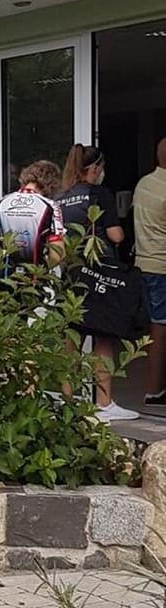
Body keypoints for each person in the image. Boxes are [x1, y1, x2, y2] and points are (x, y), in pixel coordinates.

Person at [55, 144, 137, 422]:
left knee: (72, 337)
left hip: (71, 274)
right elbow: (115, 236)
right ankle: (103, 402)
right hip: (99, 273)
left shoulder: (61, 196)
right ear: (95, 168)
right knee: (104, 335)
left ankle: (67, 401)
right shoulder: (99, 194)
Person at [0, 161, 66, 272]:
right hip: (36, 277)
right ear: (52, 185)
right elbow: (57, 256)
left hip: (7, 277)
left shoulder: (0, 203)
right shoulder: (51, 207)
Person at [136, 138, 166, 408]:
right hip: (162, 267)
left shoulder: (144, 184)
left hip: (144, 264)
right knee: (160, 328)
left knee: (154, 326)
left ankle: (154, 388)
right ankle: (154, 389)